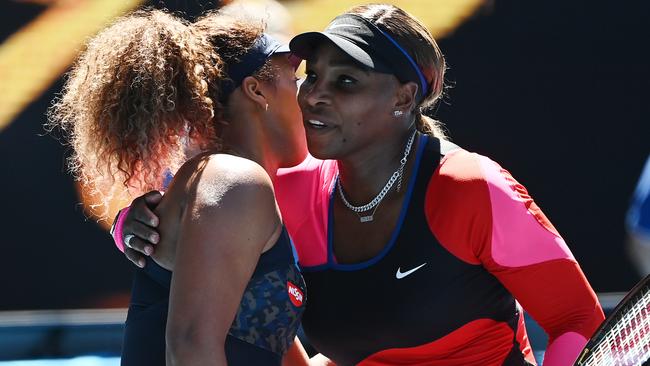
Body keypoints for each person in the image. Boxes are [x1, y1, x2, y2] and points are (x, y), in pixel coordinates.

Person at [114, 4, 605, 365]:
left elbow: (579, 322)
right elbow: (192, 228)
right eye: (313, 77)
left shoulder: (473, 188)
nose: (316, 97)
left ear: (404, 98)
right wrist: (134, 225)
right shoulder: (276, 194)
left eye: (345, 82)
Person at [47, 9, 308, 366]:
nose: (308, 94)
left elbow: (262, 349)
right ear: (256, 89)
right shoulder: (234, 181)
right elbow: (189, 349)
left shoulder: (226, 183)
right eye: (297, 77)